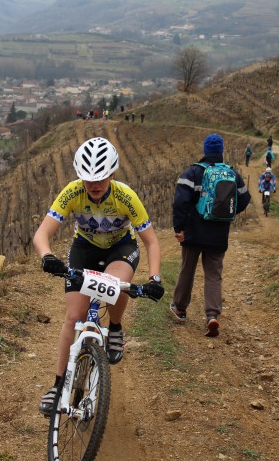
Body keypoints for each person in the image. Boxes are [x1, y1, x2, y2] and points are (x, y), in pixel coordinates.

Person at [33, 137, 164, 415]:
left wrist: (155, 278)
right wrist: (47, 256)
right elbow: (42, 233)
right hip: (85, 248)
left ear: (112, 174)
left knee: (115, 285)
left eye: (101, 178)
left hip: (121, 248)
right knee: (73, 317)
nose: (94, 185)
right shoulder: (72, 192)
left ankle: (115, 326)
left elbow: (151, 242)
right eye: (88, 179)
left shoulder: (126, 196)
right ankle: (58, 385)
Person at [170, 134, 251, 337]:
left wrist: (179, 228)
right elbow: (244, 198)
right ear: (221, 151)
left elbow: (180, 203)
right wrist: (227, 213)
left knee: (187, 270)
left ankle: (180, 309)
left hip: (193, 233)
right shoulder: (232, 174)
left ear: (205, 150)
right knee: (214, 275)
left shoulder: (192, 172)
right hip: (219, 234)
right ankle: (212, 315)